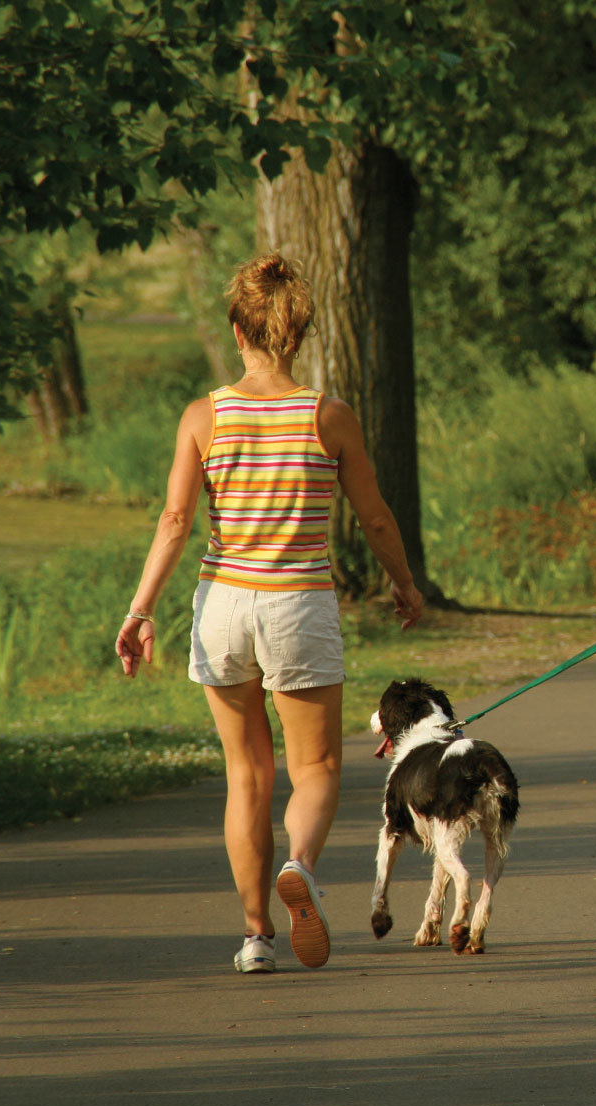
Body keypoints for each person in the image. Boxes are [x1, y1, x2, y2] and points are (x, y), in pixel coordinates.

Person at [115, 253, 424, 975]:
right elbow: (375, 519)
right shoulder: (329, 416)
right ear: (300, 332)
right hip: (298, 604)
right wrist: (405, 586)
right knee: (313, 764)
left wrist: (141, 608)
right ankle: (302, 866)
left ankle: (256, 935)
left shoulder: (205, 415)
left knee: (246, 772)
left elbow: (173, 519)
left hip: (222, 602)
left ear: (237, 326)